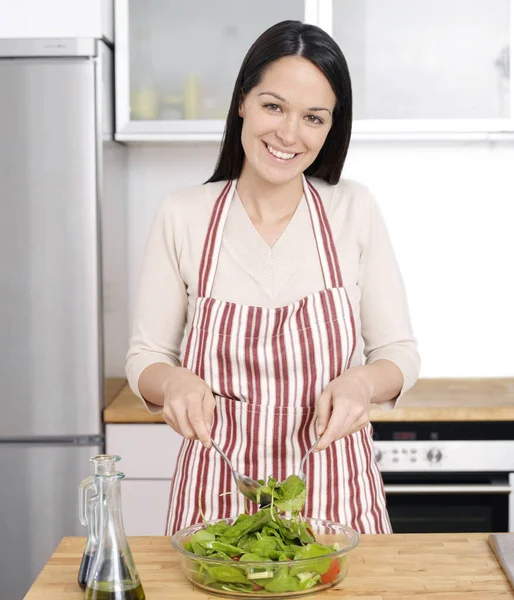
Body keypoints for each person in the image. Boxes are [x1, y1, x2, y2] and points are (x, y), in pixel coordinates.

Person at [126, 20, 420, 536]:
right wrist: (172, 380)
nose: (289, 134)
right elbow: (145, 357)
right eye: (273, 106)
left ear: (331, 126)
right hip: (215, 504)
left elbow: (399, 352)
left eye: (313, 117)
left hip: (337, 504)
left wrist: (361, 382)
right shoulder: (184, 215)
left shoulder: (352, 209)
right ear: (242, 101)